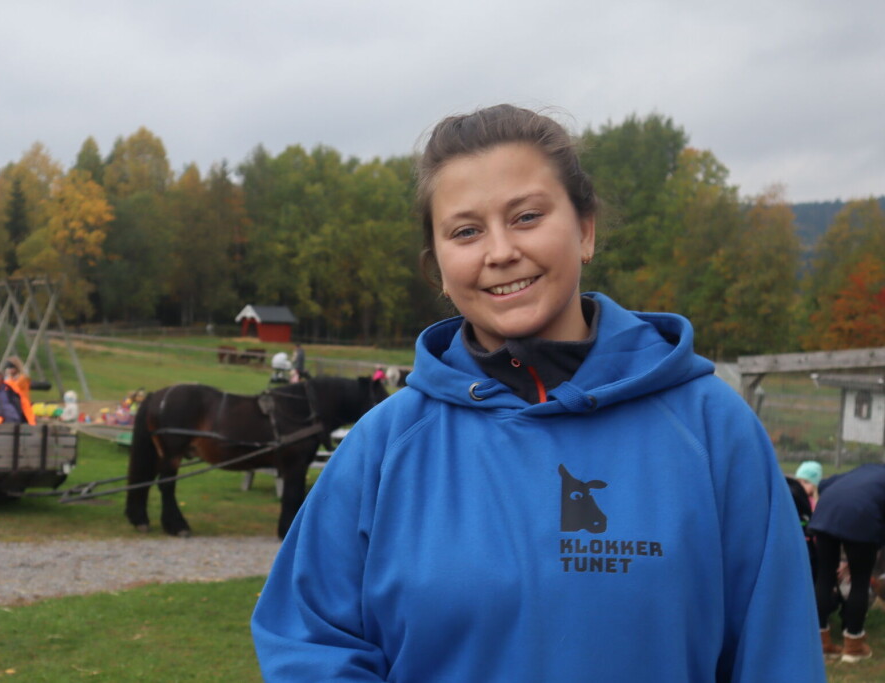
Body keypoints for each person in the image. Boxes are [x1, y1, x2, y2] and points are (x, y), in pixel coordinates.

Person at [250, 105, 824, 681]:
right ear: (440, 270)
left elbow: (777, 653)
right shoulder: (383, 447)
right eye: (466, 231)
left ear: (586, 229)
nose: (499, 251)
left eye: (526, 216)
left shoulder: (712, 429)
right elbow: (309, 642)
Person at [809, 463, 885, 663]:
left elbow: (825, 483)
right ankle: (853, 646)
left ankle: (822, 644)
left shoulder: (865, 469)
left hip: (825, 513)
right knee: (860, 582)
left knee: (824, 577)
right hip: (862, 516)